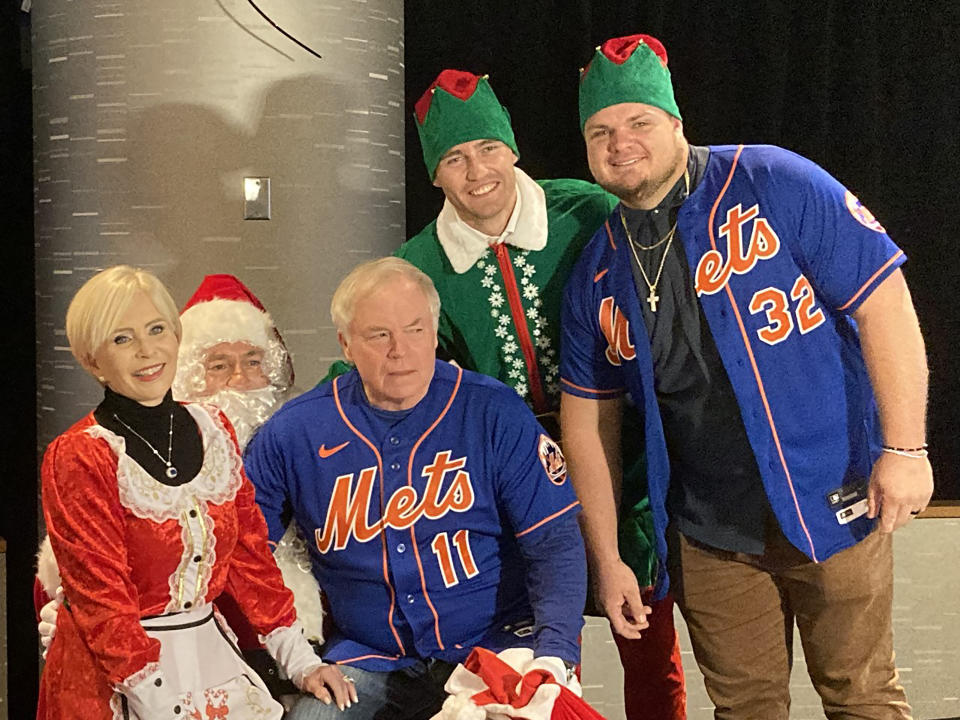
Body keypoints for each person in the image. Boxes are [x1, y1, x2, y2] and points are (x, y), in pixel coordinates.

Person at [560, 33, 933, 719]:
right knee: (745, 710)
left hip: (834, 498)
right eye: (600, 130)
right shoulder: (597, 266)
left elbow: (885, 300)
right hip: (711, 534)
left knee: (862, 697)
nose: (620, 141)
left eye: (638, 121)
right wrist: (608, 557)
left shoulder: (772, 179)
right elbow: (588, 420)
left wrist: (906, 450)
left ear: (676, 123)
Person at [397, 68, 686, 719]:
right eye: (454, 157)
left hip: (622, 461)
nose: (477, 172)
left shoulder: (586, 211)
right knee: (535, 660)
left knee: (647, 640)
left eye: (489, 149)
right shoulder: (418, 266)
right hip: (512, 488)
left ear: (514, 149)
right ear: (434, 174)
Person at [244, 257, 588, 720]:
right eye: (379, 334)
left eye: (415, 329)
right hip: (368, 656)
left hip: (497, 643)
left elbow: (554, 542)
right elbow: (241, 550)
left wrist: (556, 654)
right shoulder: (294, 432)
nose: (399, 350)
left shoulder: (493, 410)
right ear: (345, 344)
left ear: (434, 329)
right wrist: (296, 658)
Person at [37, 266, 352, 719]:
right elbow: (102, 602)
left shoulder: (213, 430)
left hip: (207, 660)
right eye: (122, 339)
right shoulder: (79, 455)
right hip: (114, 684)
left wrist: (300, 661)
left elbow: (250, 559)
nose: (148, 351)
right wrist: (165, 702)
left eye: (157, 329)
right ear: (92, 359)